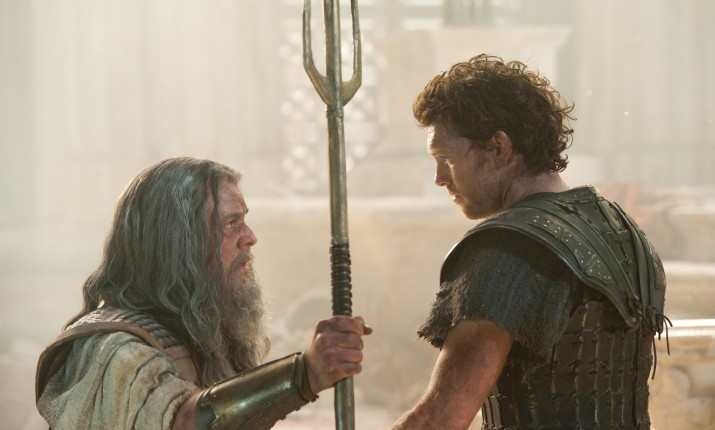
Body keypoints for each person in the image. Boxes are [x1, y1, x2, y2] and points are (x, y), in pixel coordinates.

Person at [391, 54, 667, 429]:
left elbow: (441, 417)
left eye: (447, 158)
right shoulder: (622, 229)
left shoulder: (507, 247)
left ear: (499, 147)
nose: (440, 177)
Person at [35, 157, 372, 429]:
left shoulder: (201, 334)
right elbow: (181, 423)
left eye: (244, 221)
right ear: (179, 242)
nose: (250, 237)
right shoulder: (113, 351)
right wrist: (305, 374)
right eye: (231, 224)